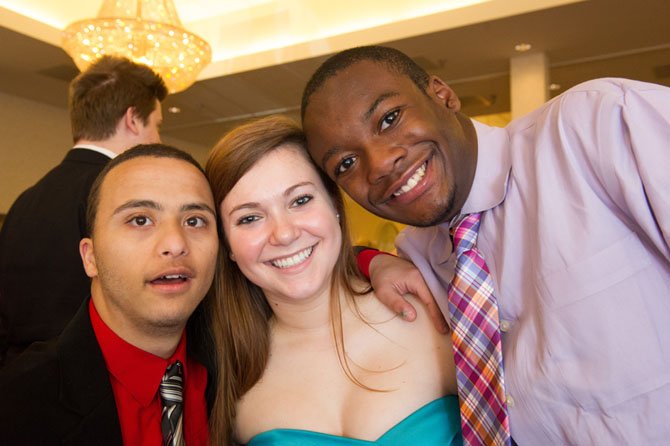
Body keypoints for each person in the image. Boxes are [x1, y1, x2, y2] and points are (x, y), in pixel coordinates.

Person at [300, 45, 670, 444]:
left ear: (442, 94)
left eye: (389, 119)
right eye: (346, 165)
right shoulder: (419, 256)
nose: (379, 164)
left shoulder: (597, 124)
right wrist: (369, 260)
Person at [204, 115, 462, 445]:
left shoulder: (431, 313)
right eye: (250, 218)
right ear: (226, 244)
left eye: (300, 200)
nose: (283, 233)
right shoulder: (224, 368)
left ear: (334, 206)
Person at [0, 144, 218, 445]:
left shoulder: (233, 373)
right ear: (90, 258)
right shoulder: (18, 405)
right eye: (140, 219)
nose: (175, 242)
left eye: (194, 220)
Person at [0, 56, 167, 366]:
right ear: (132, 119)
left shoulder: (25, 201)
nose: (158, 139)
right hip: (91, 378)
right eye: (157, 126)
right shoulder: (122, 197)